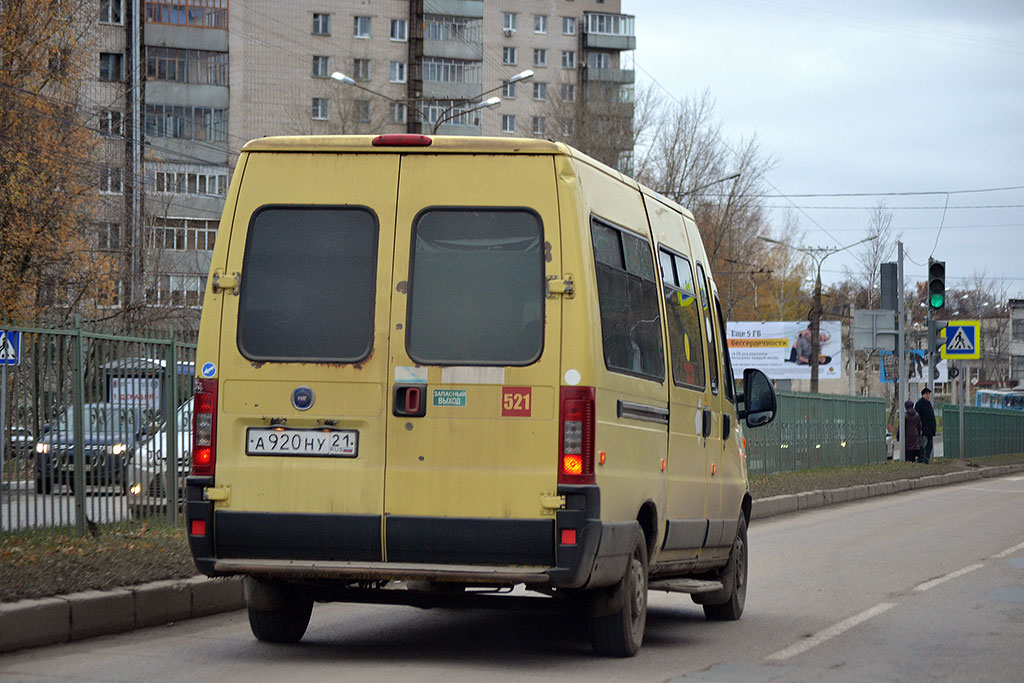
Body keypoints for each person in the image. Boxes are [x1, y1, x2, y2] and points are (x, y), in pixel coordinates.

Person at [915, 387, 937, 463]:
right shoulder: (919, 404)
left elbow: (932, 416)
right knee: (923, 445)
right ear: (923, 395)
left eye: (929, 394)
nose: (928, 396)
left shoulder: (928, 404)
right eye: (927, 394)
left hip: (930, 430)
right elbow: (918, 417)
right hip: (924, 430)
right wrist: (920, 428)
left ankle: (926, 459)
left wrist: (934, 427)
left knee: (929, 446)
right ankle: (921, 459)